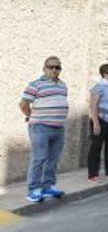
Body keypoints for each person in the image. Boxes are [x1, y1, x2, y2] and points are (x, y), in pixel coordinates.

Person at [20, 56, 68, 203]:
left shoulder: (62, 85)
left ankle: (47, 186)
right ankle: (33, 190)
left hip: (58, 128)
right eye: (50, 67)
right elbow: (23, 104)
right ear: (44, 68)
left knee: (53, 159)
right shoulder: (35, 84)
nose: (54, 70)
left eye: (57, 67)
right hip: (40, 127)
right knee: (39, 159)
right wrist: (32, 117)